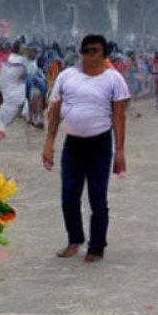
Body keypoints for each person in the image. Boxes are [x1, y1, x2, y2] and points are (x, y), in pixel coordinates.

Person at [41, 33, 130, 262]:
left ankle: (97, 246)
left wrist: (119, 152)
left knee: (97, 198)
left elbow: (119, 117)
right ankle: (74, 239)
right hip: (73, 145)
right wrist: (49, 144)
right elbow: (54, 113)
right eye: (85, 50)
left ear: (104, 54)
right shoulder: (66, 76)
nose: (89, 55)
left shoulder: (114, 80)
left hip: (100, 144)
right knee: (69, 195)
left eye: (95, 51)